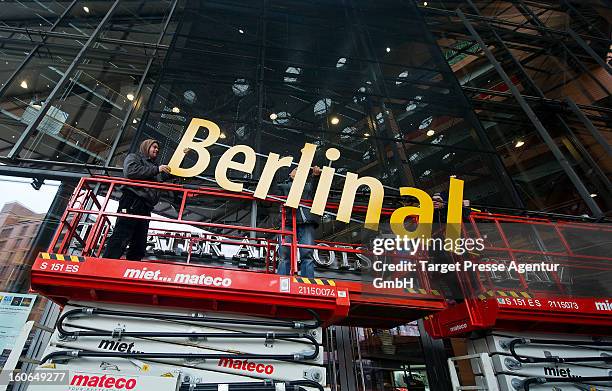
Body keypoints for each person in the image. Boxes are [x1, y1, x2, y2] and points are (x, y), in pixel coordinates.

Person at [102, 139, 171, 261]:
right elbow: (130, 172)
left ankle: (131, 267)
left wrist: (182, 156)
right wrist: (157, 169)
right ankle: (107, 263)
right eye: (154, 147)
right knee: (122, 233)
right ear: (146, 147)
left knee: (140, 241)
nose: (156, 150)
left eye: (157, 148)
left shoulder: (154, 168)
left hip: (145, 206)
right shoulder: (134, 157)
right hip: (132, 200)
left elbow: (166, 175)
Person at [276, 166, 322, 278]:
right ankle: (282, 280)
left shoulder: (308, 186)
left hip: (306, 222)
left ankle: (308, 282)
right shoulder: (283, 186)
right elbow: (272, 189)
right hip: (287, 221)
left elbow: (316, 189)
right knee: (284, 254)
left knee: (307, 253)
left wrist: (315, 176)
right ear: (290, 173)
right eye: (296, 169)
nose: (298, 171)